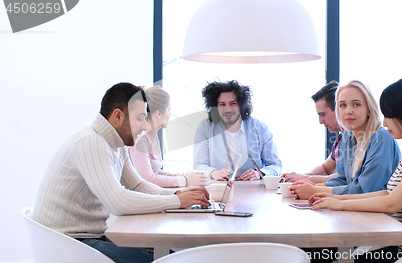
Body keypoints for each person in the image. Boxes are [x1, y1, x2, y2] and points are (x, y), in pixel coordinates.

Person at [33, 82, 210, 263]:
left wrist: (178, 194)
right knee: (168, 259)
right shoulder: (91, 142)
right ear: (117, 116)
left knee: (171, 255)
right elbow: (119, 202)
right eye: (140, 118)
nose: (143, 126)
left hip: (86, 238)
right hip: (68, 244)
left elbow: (138, 185)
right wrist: (176, 201)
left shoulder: (117, 144)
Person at [309, 79, 402, 262]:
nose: (385, 122)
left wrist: (340, 203)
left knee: (324, 256)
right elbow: (388, 192)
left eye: (389, 115)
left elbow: (391, 204)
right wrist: (337, 198)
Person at [290, 80, 401, 200]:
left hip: (378, 216)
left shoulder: (381, 138)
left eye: (356, 104)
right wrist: (312, 187)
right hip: (353, 210)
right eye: (342, 105)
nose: (348, 111)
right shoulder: (347, 136)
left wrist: (316, 190)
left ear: (369, 109)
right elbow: (343, 180)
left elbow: (364, 190)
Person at [193, 80, 282, 181]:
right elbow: (199, 164)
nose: (228, 109)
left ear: (241, 104)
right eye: (222, 104)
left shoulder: (260, 128)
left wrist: (260, 173)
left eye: (233, 103)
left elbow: (275, 165)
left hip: (253, 190)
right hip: (218, 189)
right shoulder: (205, 127)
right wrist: (214, 173)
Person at [129, 86, 207, 188]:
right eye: (168, 110)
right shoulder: (140, 139)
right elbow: (148, 179)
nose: (170, 115)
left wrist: (184, 176)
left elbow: (157, 173)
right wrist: (185, 180)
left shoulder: (153, 136)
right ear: (158, 113)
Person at [281, 80, 342, 183]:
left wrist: (307, 179)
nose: (320, 121)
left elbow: (345, 178)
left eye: (323, 114)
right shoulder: (341, 140)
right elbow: (325, 169)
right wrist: (299, 176)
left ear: (338, 109)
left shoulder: (362, 139)